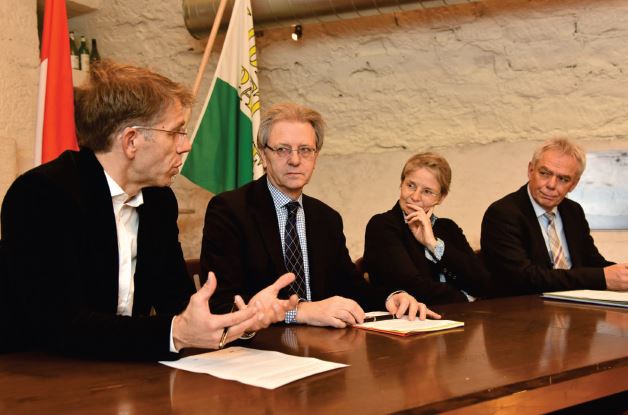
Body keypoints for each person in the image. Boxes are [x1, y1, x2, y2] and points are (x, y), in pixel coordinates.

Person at [0, 61, 296, 359]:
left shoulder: (159, 201)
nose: (186, 145)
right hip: (40, 377)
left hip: (128, 373)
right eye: (176, 132)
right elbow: (61, 326)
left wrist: (239, 321)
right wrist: (176, 333)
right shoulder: (41, 195)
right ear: (131, 141)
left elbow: (178, 306)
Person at [201, 103, 440, 328]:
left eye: (305, 150)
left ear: (315, 157)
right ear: (263, 156)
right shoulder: (229, 211)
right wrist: (300, 312)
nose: (295, 160)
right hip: (258, 350)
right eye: (283, 149)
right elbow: (221, 304)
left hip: (324, 350)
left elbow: (351, 287)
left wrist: (391, 297)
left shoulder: (326, 218)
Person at [481, 138, 628, 295]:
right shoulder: (503, 213)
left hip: (576, 306)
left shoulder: (573, 211)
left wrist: (622, 273)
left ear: (574, 184)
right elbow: (522, 277)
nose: (551, 185)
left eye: (563, 179)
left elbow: (592, 262)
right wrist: (601, 277)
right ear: (531, 171)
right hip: (524, 310)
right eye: (545, 173)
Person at [363, 152, 490, 305]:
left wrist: (433, 244)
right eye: (410, 186)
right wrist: (465, 297)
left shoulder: (448, 228)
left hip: (460, 320)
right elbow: (412, 288)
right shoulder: (383, 225)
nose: (415, 197)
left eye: (427, 191)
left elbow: (483, 283)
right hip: (408, 323)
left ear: (441, 198)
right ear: (401, 184)